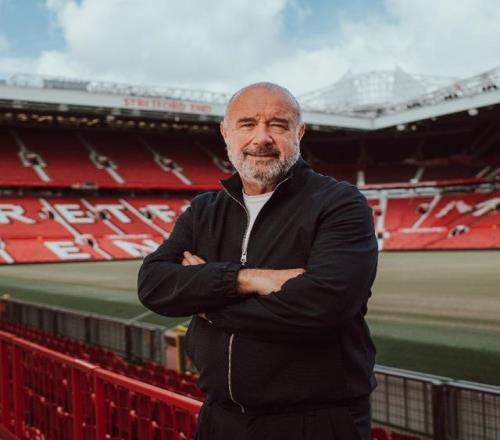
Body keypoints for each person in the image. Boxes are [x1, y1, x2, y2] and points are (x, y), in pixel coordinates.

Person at [138, 82, 378, 440]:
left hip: (314, 422)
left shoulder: (340, 203)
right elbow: (153, 284)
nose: (261, 138)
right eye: (247, 124)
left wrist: (207, 303)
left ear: (299, 133)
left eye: (278, 125)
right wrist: (245, 280)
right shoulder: (204, 210)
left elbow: (325, 305)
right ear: (225, 132)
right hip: (219, 418)